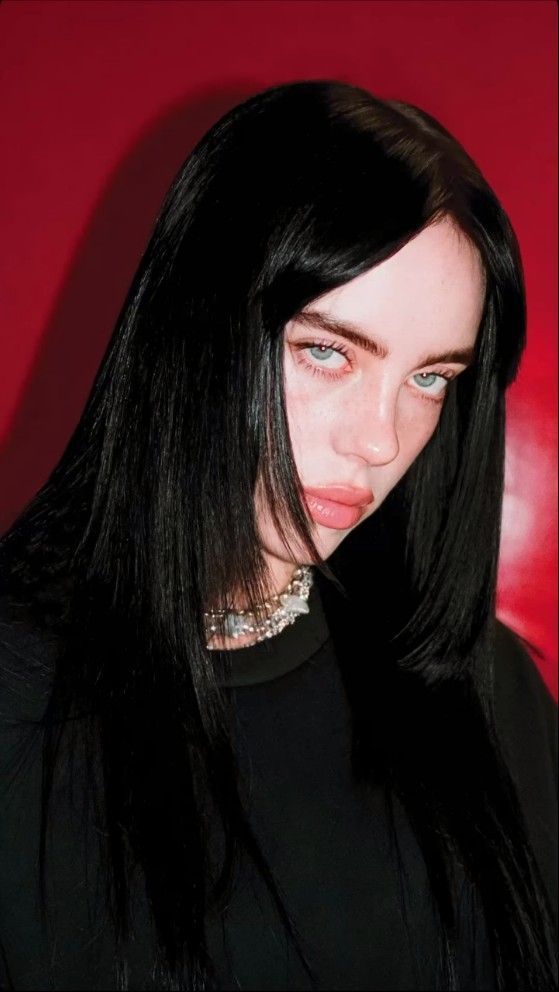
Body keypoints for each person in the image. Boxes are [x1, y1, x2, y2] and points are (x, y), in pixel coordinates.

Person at [0, 79, 556, 991]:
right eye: (327, 351)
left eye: (430, 379)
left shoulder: (481, 689)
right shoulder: (19, 700)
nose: (379, 441)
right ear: (195, 328)